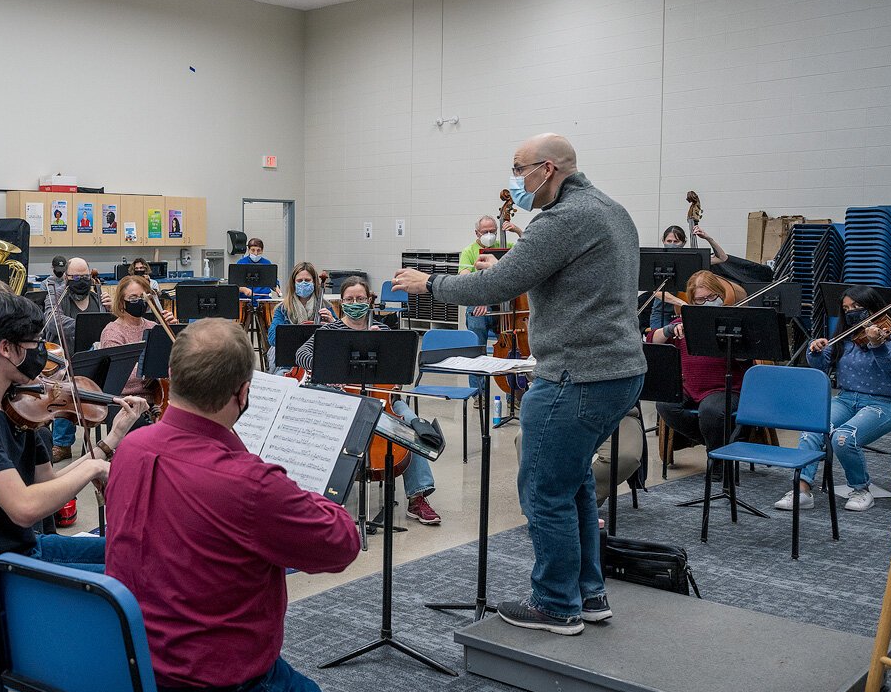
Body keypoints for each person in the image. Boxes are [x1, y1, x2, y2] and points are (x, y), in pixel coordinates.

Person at [106, 319, 364, 692]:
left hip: (132, 674)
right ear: (242, 394)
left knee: (219, 605)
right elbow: (342, 544)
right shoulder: (249, 482)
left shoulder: (131, 448)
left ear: (170, 377)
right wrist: (285, 492)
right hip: (210, 690)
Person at [395, 133, 645, 635]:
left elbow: (493, 288)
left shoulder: (561, 219)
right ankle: (588, 594)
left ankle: (555, 605)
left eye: (518, 167)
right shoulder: (611, 210)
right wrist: (511, 269)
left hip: (576, 374)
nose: (514, 178)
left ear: (546, 169)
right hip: (620, 372)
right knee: (572, 482)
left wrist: (430, 283)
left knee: (542, 490)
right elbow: (571, 281)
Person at [0, 288, 144, 620]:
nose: (42, 354)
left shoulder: (15, 407)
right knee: (133, 587)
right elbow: (25, 508)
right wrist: (92, 470)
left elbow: (50, 485)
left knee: (142, 557)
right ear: (6, 349)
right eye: (34, 345)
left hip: (26, 549)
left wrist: (110, 441)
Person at [295, 276, 441, 525]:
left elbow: (401, 370)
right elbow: (302, 354)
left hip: (384, 401)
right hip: (344, 401)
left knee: (413, 425)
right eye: (350, 299)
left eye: (360, 299)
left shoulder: (382, 331)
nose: (355, 303)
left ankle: (418, 497)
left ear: (369, 300)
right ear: (342, 302)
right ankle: (326, 493)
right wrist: (328, 370)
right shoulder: (330, 331)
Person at [777, 285, 891, 513]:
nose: (851, 312)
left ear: (872, 307)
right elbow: (820, 364)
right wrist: (815, 350)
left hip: (885, 403)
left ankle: (861, 490)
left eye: (857, 306)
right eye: (846, 308)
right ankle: (802, 491)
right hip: (847, 399)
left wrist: (877, 345)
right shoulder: (847, 337)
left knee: (843, 437)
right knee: (812, 428)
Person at [647, 271, 744, 460]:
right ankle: (714, 446)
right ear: (692, 302)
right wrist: (668, 330)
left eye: (712, 297)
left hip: (725, 389)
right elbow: (652, 340)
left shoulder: (733, 323)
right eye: (700, 299)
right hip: (689, 388)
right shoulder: (682, 322)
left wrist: (733, 343)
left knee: (710, 411)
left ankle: (717, 460)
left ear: (721, 296)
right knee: (665, 405)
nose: (707, 302)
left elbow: (745, 359)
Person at [44, 257, 110, 462]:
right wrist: (85, 325)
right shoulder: (56, 295)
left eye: (84, 276)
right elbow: (53, 322)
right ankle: (62, 444)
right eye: (75, 277)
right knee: (67, 382)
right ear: (66, 277)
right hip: (64, 360)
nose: (81, 280)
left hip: (95, 360)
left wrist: (110, 311)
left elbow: (108, 328)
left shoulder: (99, 298)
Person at [459, 215, 520, 394]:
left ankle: (513, 394)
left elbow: (530, 253)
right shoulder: (469, 251)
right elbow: (464, 278)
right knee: (477, 349)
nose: (489, 235)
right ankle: (478, 394)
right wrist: (482, 298)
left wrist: (516, 231)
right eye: (485, 232)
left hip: (505, 306)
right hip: (478, 304)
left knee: (512, 348)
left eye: (493, 231)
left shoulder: (505, 246)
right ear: (477, 233)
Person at [98, 274, 165, 400]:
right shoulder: (112, 331)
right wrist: (154, 369)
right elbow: (120, 374)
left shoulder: (154, 327)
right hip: (127, 400)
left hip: (157, 395)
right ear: (122, 302)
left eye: (143, 297)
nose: (140, 302)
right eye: (133, 298)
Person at [266, 261, 331, 371]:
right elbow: (272, 339)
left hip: (317, 363)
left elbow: (340, 337)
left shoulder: (325, 306)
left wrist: (332, 322)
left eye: (307, 280)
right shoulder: (283, 309)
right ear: (293, 283)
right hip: (289, 363)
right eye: (300, 281)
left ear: (314, 282)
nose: (303, 283)